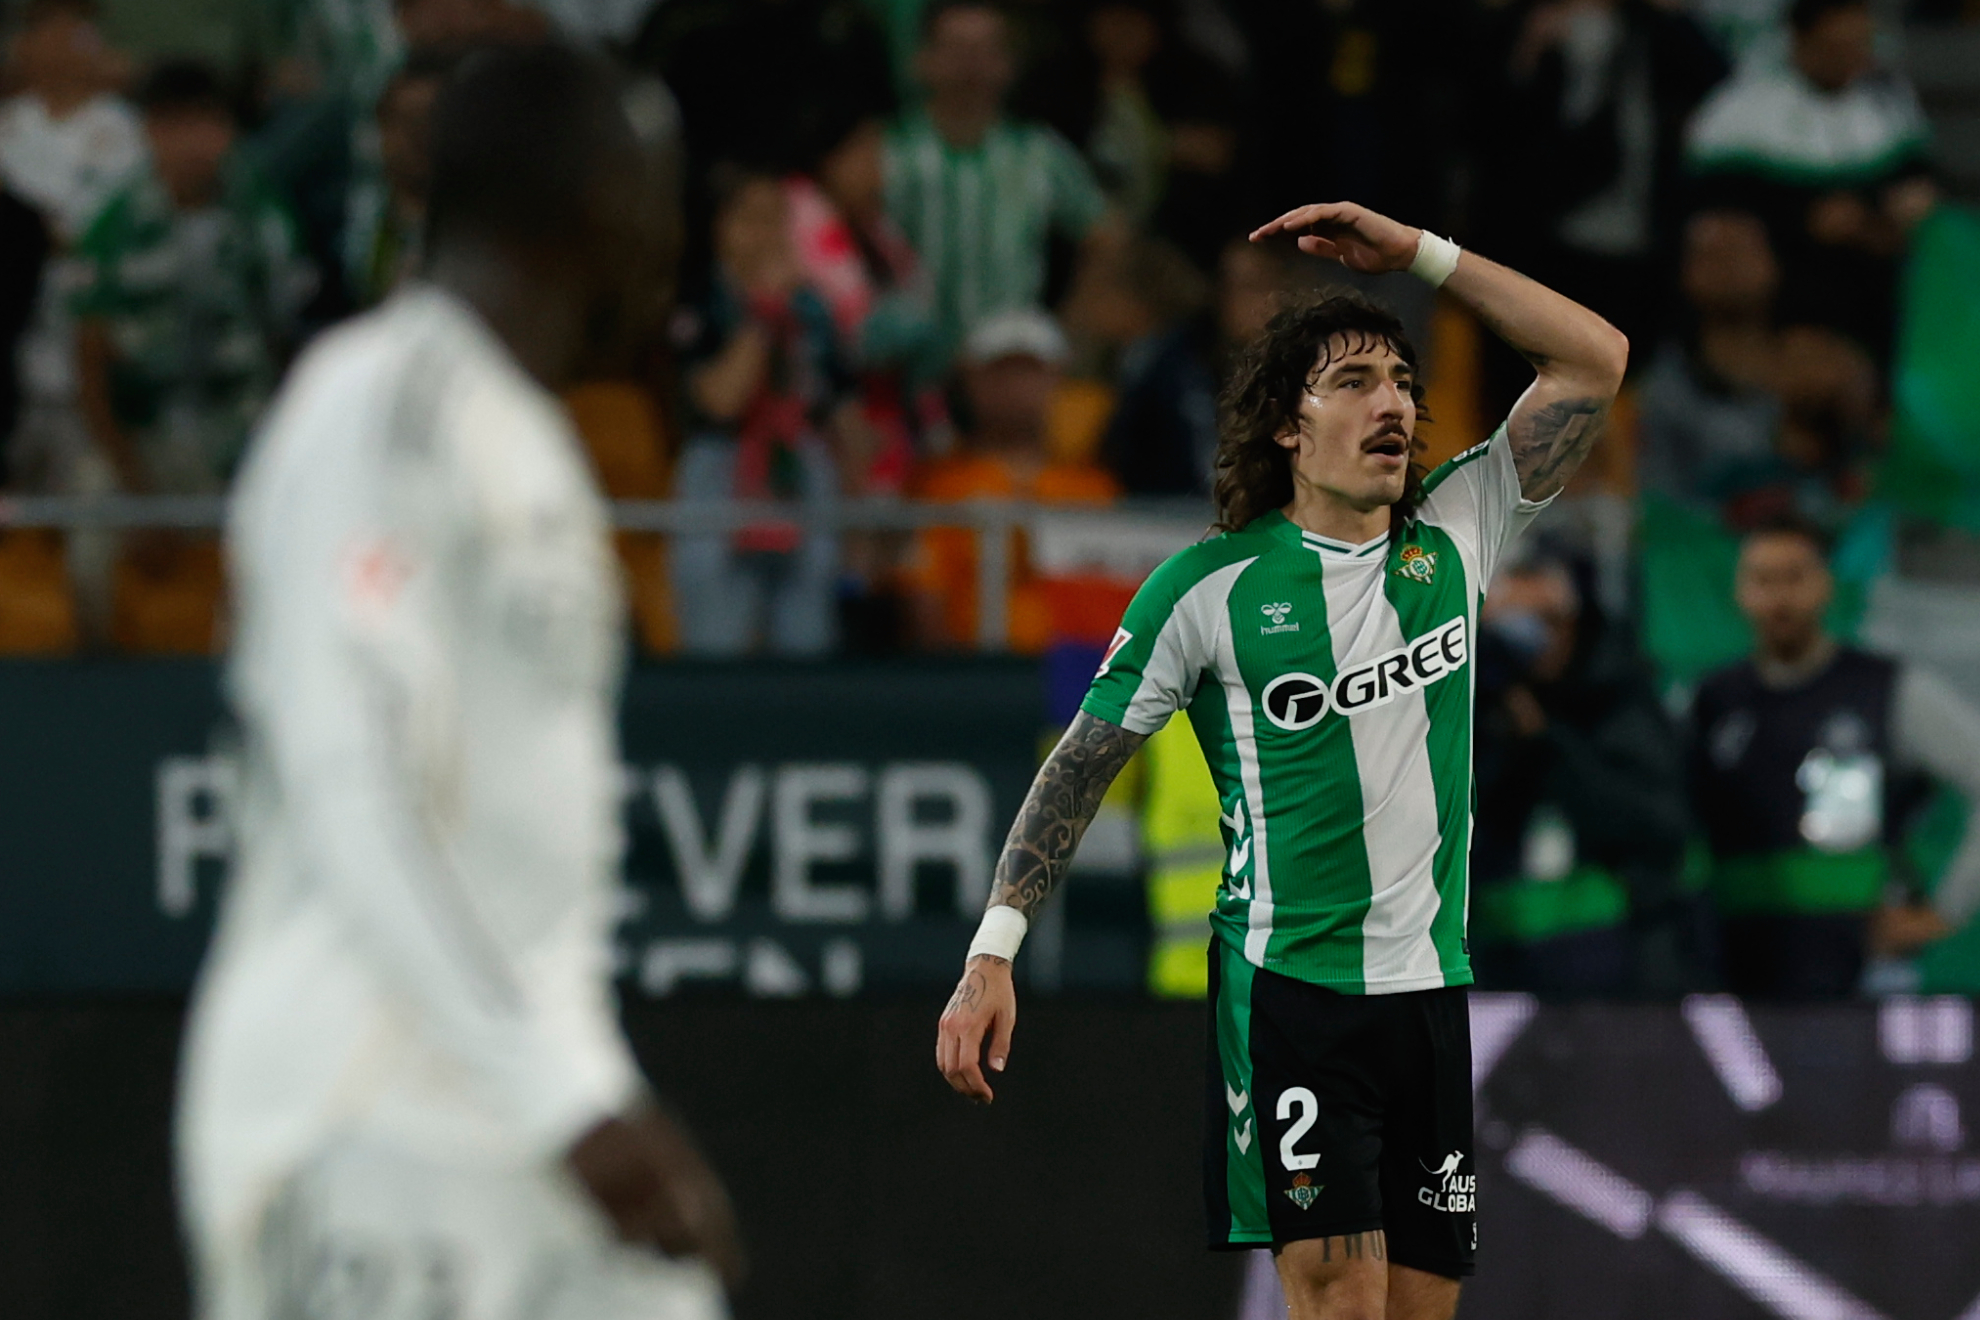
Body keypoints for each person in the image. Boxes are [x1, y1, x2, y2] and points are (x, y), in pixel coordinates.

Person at [937, 200, 1629, 1320]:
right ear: (1287, 429)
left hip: (1428, 995)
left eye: (1402, 379)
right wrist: (993, 950)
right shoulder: (1206, 589)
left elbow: (1595, 359)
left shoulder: (1457, 532)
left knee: (1414, 1312)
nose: (1392, 402)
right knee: (1339, 1300)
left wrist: (1419, 256)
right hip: (1293, 998)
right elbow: (1081, 764)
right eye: (1354, 381)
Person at [178, 44, 741, 1320]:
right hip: (355, 1117)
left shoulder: (531, 443)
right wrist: (569, 1100)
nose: (672, 241)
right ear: (594, 200)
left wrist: (582, 1081)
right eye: (659, 194)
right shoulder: (377, 409)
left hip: (526, 1116)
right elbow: (354, 783)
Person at [1688, 516, 1980, 999]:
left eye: (1796, 577)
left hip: (1865, 970)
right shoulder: (1713, 702)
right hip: (1744, 968)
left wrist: (1947, 908)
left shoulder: (1885, 689)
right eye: (1764, 580)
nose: (1781, 598)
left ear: (1825, 586)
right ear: (1739, 593)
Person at [72, 60, 312, 498]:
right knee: (93, 494)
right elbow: (89, 364)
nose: (193, 143)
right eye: (174, 126)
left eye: (207, 122)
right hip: (147, 435)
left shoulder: (264, 216)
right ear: (149, 133)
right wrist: (133, 484)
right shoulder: (111, 228)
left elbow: (287, 337)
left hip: (245, 426)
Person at [1468, 550, 1687, 997]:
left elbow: (1653, 828)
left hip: (1621, 968)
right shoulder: (1484, 713)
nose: (1534, 642)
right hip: (1506, 970)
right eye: (1513, 626)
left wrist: (1545, 741)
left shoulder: (1623, 701)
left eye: (1548, 621)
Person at [670, 167, 861, 657]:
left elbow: (841, 411)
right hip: (719, 474)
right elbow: (720, 399)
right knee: (716, 644)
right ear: (719, 227)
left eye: (777, 219)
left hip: (802, 473)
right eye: (750, 219)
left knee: (808, 642)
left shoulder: (814, 309)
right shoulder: (697, 301)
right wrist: (765, 309)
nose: (767, 235)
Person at [1684, 0, 1937, 359]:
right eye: (1836, 48)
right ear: (1801, 40)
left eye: (1859, 46)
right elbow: (1716, 215)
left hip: (1875, 302)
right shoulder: (1740, 114)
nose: (1850, 60)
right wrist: (1802, 219)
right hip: (1782, 309)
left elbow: (1918, 181)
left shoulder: (1886, 106)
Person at [886, 0, 1113, 366]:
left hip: (1011, 364)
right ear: (922, 59)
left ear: (1008, 64)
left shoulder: (1038, 153)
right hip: (909, 365)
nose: (970, 64)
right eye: (957, 49)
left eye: (985, 51)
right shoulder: (889, 152)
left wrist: (1071, 321)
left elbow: (1106, 237)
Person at [907, 306, 1118, 651]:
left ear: (1057, 380)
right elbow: (923, 594)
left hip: (1077, 682)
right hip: (973, 678)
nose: (1017, 388)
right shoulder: (939, 486)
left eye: (1031, 372)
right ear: (970, 382)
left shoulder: (1092, 487)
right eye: (1001, 373)